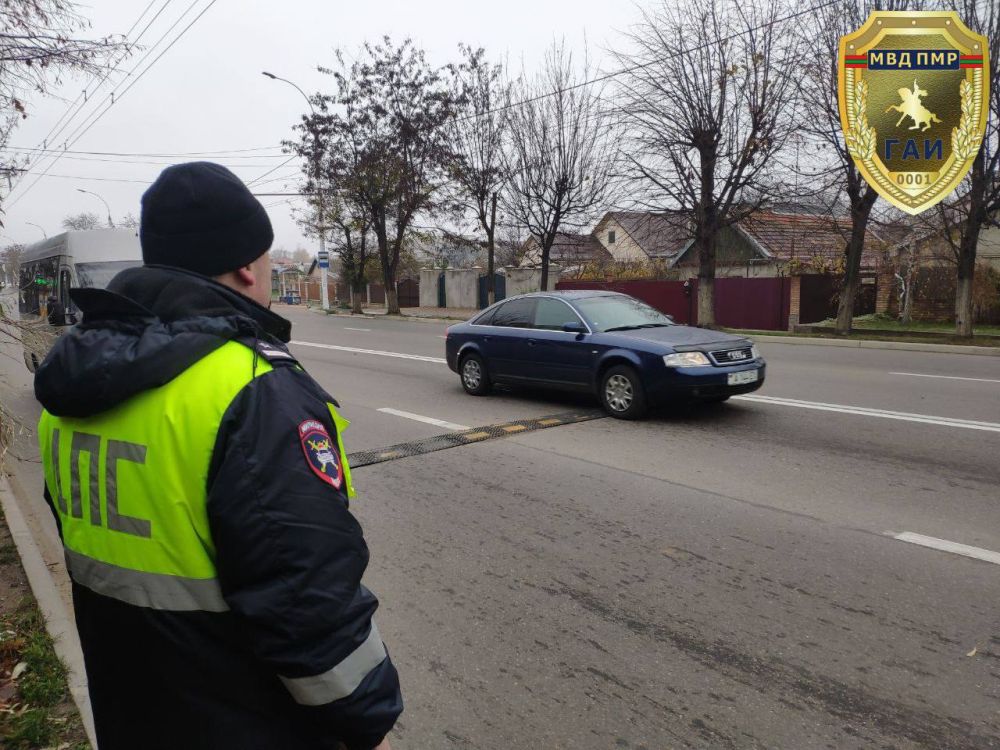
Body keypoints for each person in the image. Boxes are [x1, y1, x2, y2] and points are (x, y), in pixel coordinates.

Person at [34, 162, 402, 750]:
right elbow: (304, 599)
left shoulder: (68, 394)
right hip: (247, 722)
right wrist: (367, 719)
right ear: (246, 266)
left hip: (129, 711)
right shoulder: (252, 389)